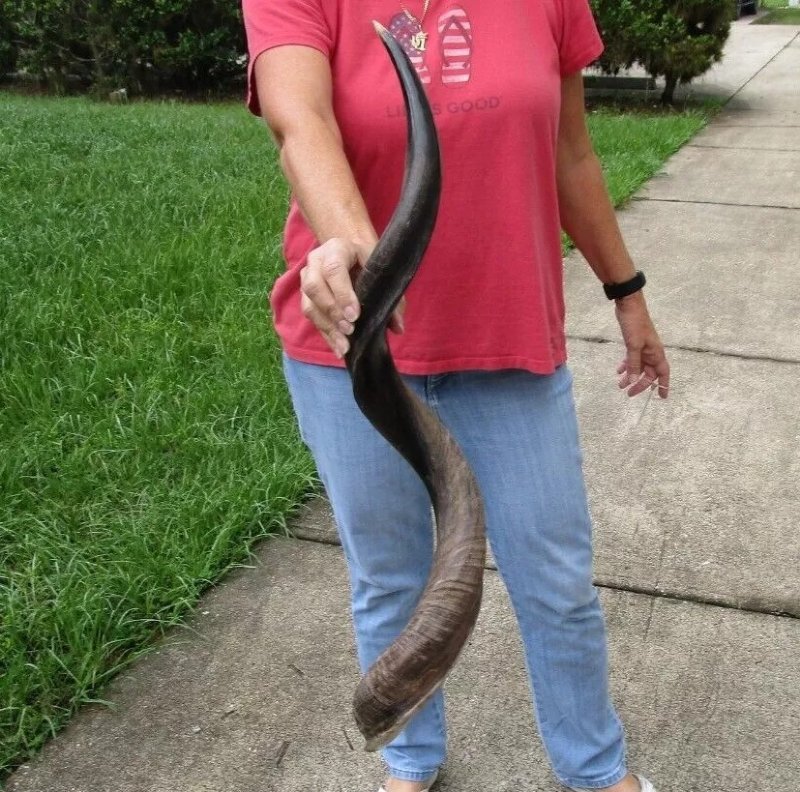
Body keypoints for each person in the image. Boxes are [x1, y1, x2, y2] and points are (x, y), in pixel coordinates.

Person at [242, 2, 669, 790]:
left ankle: (594, 769)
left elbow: (571, 153)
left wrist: (627, 290)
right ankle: (409, 761)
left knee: (556, 582)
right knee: (390, 581)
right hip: (355, 351)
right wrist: (363, 252)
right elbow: (299, 121)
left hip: (507, 338)